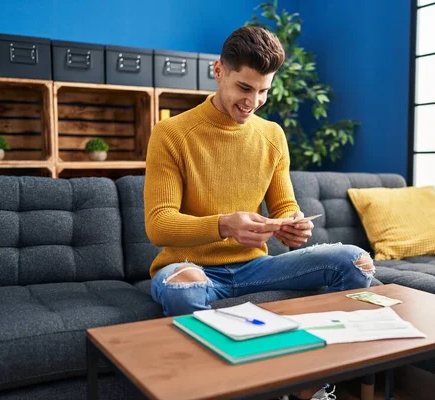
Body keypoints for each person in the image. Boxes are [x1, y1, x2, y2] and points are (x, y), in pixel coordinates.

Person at [144, 26, 374, 400]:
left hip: (255, 267)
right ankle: (222, 389)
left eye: (264, 90)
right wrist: (223, 225)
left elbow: (283, 205)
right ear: (219, 71)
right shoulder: (172, 133)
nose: (253, 101)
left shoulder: (272, 135)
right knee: (181, 287)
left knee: (355, 261)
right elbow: (158, 225)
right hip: (193, 266)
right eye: (245, 88)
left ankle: (309, 384)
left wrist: (293, 225)